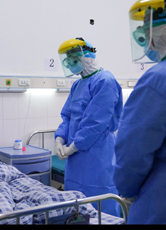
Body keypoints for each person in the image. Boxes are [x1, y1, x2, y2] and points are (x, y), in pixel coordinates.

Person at [114, 0, 166, 224]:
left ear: (164, 31)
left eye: (146, 29)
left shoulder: (161, 77)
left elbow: (135, 145)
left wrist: (127, 188)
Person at [54, 37, 123, 217]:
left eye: (74, 60)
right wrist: (60, 139)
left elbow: (95, 122)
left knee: (101, 205)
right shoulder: (77, 84)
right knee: (75, 203)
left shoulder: (105, 81)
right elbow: (68, 115)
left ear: (88, 56)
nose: (71, 64)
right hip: (75, 159)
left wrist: (74, 146)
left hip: (97, 154)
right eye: (68, 61)